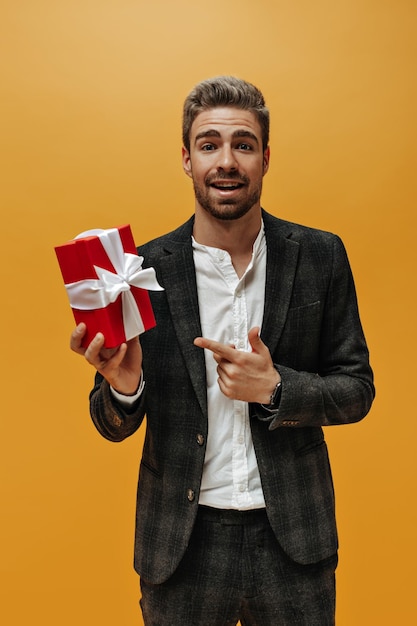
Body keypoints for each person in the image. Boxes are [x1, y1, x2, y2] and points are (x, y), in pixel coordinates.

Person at [71, 76, 375, 625]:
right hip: (182, 545)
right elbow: (112, 425)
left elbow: (357, 391)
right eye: (209, 144)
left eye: (243, 144)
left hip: (293, 540)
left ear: (264, 158)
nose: (226, 160)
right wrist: (124, 385)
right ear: (187, 159)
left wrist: (278, 389)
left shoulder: (320, 256)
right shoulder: (138, 270)